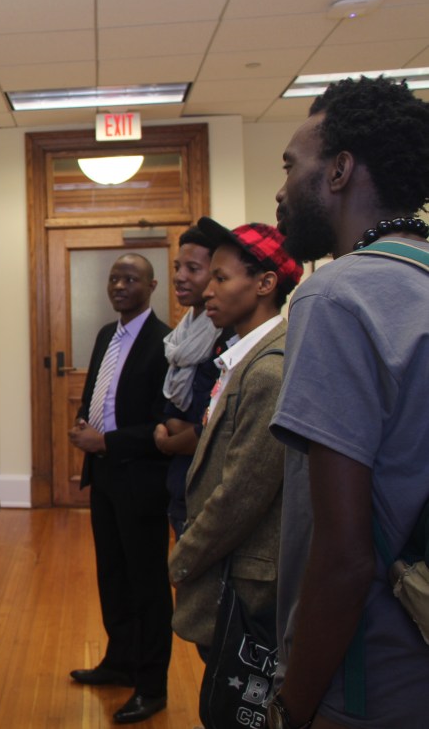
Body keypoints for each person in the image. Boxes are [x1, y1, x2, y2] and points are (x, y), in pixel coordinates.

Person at [267, 76, 429, 729]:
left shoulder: (337, 297)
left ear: (338, 171)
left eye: (290, 164)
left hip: (370, 678)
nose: (281, 189)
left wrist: (292, 706)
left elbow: (344, 553)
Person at [168, 219, 301, 663]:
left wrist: (182, 558)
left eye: (221, 278)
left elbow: (242, 493)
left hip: (246, 589)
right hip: (226, 573)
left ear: (265, 283)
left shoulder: (268, 370)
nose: (207, 290)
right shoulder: (241, 359)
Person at [67, 253, 173, 724]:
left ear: (152, 285)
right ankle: (119, 661)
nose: (120, 285)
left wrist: (105, 440)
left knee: (147, 584)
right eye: (114, 278)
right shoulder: (106, 335)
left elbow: (162, 425)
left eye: (131, 278)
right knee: (111, 574)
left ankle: (152, 685)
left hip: (142, 478)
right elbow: (97, 390)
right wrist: (82, 424)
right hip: (105, 476)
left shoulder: (166, 343)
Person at [154, 225, 229, 538]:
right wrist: (177, 431)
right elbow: (171, 416)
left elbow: (212, 433)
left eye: (193, 269)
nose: (180, 276)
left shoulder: (225, 338)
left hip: (206, 492)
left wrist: (166, 442)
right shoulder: (181, 335)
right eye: (177, 267)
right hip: (179, 485)